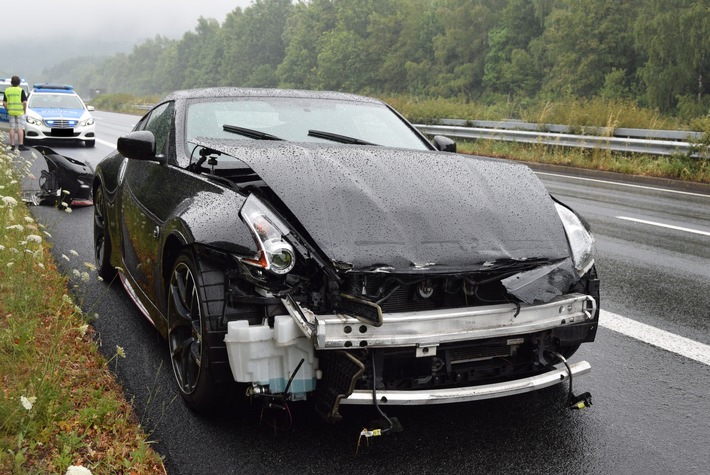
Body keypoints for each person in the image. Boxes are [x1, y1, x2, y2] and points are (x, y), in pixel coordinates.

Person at [2, 76, 28, 151]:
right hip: (20, 112)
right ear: (19, 83)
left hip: (11, 112)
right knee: (20, 128)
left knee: (12, 128)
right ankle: (21, 145)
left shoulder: (7, 90)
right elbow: (25, 102)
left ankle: (12, 145)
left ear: (11, 82)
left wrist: (7, 109)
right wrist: (24, 110)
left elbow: (4, 102)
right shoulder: (21, 90)